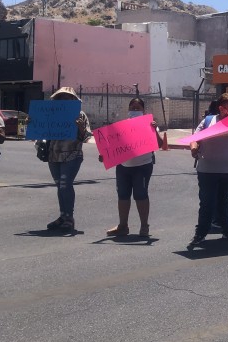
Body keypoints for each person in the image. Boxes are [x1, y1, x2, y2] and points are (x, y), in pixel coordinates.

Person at [187, 93, 228, 248]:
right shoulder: (208, 121)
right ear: (221, 108)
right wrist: (194, 149)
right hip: (208, 169)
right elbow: (194, 138)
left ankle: (227, 231)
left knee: (224, 200)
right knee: (207, 202)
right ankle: (200, 233)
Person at [103, 97, 163, 237]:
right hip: (123, 167)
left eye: (138, 108)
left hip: (142, 166)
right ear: (128, 110)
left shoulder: (149, 125)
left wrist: (154, 129)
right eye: (132, 108)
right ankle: (122, 226)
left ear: (143, 110)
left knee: (140, 195)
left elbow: (159, 144)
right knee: (123, 195)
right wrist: (106, 155)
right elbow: (112, 146)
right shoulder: (121, 126)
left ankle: (144, 226)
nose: (135, 110)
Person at [44, 87, 92, 232]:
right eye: (61, 97)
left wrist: (80, 128)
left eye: (68, 97)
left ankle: (69, 218)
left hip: (72, 154)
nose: (64, 100)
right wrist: (33, 122)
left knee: (65, 184)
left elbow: (86, 137)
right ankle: (63, 216)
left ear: (73, 100)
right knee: (60, 185)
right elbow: (42, 130)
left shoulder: (80, 115)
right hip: (54, 154)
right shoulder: (51, 114)